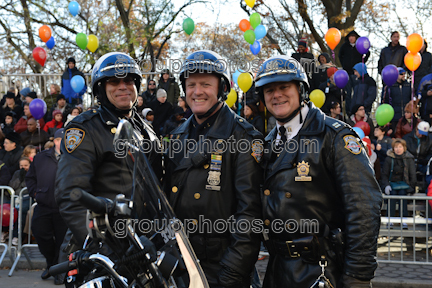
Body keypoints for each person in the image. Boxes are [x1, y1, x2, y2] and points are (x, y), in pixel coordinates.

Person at [254, 55, 382, 287]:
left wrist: (358, 276)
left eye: (284, 87)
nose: (277, 95)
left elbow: (364, 207)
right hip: (277, 272)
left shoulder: (335, 136)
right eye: (269, 89)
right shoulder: (268, 143)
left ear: (301, 90)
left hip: (324, 272)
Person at [163, 50, 263, 288]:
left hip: (223, 268)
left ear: (222, 89)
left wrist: (231, 274)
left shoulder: (244, 137)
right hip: (182, 267)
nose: (197, 92)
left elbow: (249, 217)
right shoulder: (176, 136)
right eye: (191, 85)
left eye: (206, 84)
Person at [55, 52, 162, 250]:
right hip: (105, 250)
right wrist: (103, 249)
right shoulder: (85, 128)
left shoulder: (145, 129)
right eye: (114, 81)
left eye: (129, 80)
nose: (123, 86)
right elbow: (71, 195)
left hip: (143, 244)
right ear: (101, 88)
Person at [26, 129, 68, 284]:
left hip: (64, 207)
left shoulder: (73, 157)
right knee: (40, 233)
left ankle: (58, 270)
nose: (61, 143)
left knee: (62, 241)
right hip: (44, 204)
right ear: (54, 141)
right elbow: (30, 178)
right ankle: (52, 264)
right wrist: (35, 194)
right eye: (58, 140)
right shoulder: (41, 157)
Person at [382, 139, 416, 227]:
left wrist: (411, 187)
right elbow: (384, 174)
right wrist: (386, 185)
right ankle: (390, 220)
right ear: (393, 149)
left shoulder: (409, 158)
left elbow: (412, 175)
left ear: (404, 148)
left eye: (400, 147)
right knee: (392, 194)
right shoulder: (389, 158)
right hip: (392, 184)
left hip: (404, 185)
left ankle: (403, 219)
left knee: (402, 194)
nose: (398, 149)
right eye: (396, 147)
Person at [9, 157, 32, 246]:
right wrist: (19, 178)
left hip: (27, 198)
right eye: (21, 165)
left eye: (26, 165)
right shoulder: (17, 173)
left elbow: (29, 187)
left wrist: (25, 178)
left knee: (22, 211)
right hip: (16, 197)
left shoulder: (33, 173)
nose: (23, 167)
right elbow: (12, 185)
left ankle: (17, 236)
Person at [382, 67, 412, 132]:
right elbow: (385, 101)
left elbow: (412, 99)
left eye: (404, 74)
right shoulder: (389, 87)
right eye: (401, 74)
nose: (403, 75)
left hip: (406, 116)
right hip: (394, 116)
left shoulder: (409, 86)